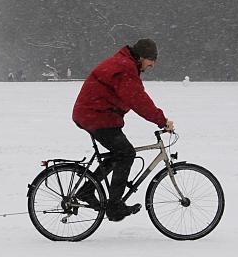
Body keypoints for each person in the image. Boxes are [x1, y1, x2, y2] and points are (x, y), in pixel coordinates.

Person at [72, 39, 174, 222]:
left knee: (118, 153)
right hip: (95, 115)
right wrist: (161, 120)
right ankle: (114, 206)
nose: (153, 64)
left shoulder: (125, 63)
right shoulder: (125, 68)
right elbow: (137, 99)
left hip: (96, 114)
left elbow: (135, 96)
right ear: (142, 56)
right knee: (126, 154)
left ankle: (87, 191)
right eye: (151, 59)